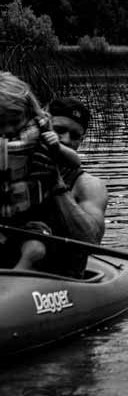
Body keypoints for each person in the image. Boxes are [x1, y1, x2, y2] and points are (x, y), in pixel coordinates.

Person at [0, 77, 106, 278]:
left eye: (75, 136)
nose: (66, 139)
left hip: (58, 279)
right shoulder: (11, 159)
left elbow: (91, 243)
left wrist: (55, 182)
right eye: (59, 131)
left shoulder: (89, 185)